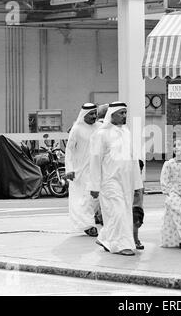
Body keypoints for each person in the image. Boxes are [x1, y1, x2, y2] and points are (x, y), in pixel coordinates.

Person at [88, 101, 143, 256]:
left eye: (126, 113)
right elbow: (95, 160)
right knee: (118, 212)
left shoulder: (126, 132)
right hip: (109, 181)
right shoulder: (101, 134)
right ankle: (121, 245)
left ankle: (105, 237)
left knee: (123, 212)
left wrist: (137, 182)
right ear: (112, 114)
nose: (125, 116)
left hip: (126, 181)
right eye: (121, 113)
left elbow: (133, 158)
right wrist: (94, 186)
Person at [65, 103, 101, 237]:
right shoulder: (77, 129)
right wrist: (69, 169)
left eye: (95, 113)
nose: (94, 116)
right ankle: (88, 224)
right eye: (91, 114)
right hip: (80, 171)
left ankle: (91, 219)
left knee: (95, 197)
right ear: (84, 115)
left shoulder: (99, 127)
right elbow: (69, 150)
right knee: (83, 198)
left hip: (96, 168)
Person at [133, 159, 145, 250]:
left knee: (137, 224)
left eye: (140, 170)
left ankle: (134, 240)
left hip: (139, 207)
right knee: (135, 224)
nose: (140, 172)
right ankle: (136, 241)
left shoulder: (140, 181)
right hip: (134, 207)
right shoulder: (132, 181)